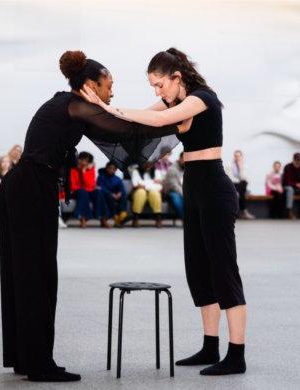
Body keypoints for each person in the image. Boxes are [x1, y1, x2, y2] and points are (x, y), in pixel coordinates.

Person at [0, 50, 186, 382]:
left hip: (28, 188)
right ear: (90, 85)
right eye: (109, 85)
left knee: (29, 274)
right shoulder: (76, 105)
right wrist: (178, 111)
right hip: (30, 190)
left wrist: (165, 110)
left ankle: (27, 358)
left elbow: (122, 123)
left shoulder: (71, 106)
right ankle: (38, 363)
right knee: (36, 275)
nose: (112, 92)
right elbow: (127, 132)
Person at [81, 47, 246, 376]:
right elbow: (140, 118)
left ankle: (236, 354)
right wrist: (101, 114)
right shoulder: (175, 102)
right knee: (198, 269)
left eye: (159, 85)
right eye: (152, 86)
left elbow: (155, 120)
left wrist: (104, 105)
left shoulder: (203, 99)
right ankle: (210, 346)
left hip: (214, 188)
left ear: (176, 77)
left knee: (223, 270)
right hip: (194, 189)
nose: (157, 92)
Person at [69, 151, 109, 228]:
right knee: (83, 192)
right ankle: (83, 219)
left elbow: (91, 184)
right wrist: (84, 188)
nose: (84, 162)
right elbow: (72, 186)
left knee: (98, 192)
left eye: (87, 161)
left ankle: (103, 219)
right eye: (83, 160)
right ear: (79, 160)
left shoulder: (90, 169)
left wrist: (84, 172)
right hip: (77, 191)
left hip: (89, 190)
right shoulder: (73, 169)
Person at [129, 163, 163, 228]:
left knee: (155, 193)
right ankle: (135, 218)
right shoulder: (135, 171)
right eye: (146, 163)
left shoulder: (156, 171)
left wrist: (144, 184)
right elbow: (136, 185)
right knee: (141, 192)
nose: (148, 165)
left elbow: (160, 186)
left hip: (152, 191)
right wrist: (152, 183)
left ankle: (158, 218)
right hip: (140, 191)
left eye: (150, 163)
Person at [97, 161, 128, 227]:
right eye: (110, 168)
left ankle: (122, 215)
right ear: (106, 168)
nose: (111, 170)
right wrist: (111, 194)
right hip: (106, 196)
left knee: (123, 196)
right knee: (107, 196)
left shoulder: (118, 179)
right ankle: (115, 217)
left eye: (113, 169)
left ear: (116, 170)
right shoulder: (101, 177)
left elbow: (121, 188)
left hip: (116, 196)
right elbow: (101, 187)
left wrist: (120, 193)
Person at [228, 150, 255, 220]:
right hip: (233, 185)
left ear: (241, 157)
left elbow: (245, 178)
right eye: (236, 156)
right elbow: (230, 178)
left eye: (239, 156)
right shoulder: (229, 166)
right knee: (242, 189)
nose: (237, 157)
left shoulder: (245, 166)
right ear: (234, 157)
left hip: (241, 186)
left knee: (243, 185)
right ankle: (244, 211)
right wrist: (238, 181)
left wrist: (240, 168)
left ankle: (241, 212)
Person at [162, 152, 184, 219]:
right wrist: (185, 194)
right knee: (176, 198)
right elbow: (174, 186)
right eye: (185, 159)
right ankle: (185, 218)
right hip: (171, 192)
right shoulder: (172, 169)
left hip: (183, 191)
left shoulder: (187, 168)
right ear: (180, 158)